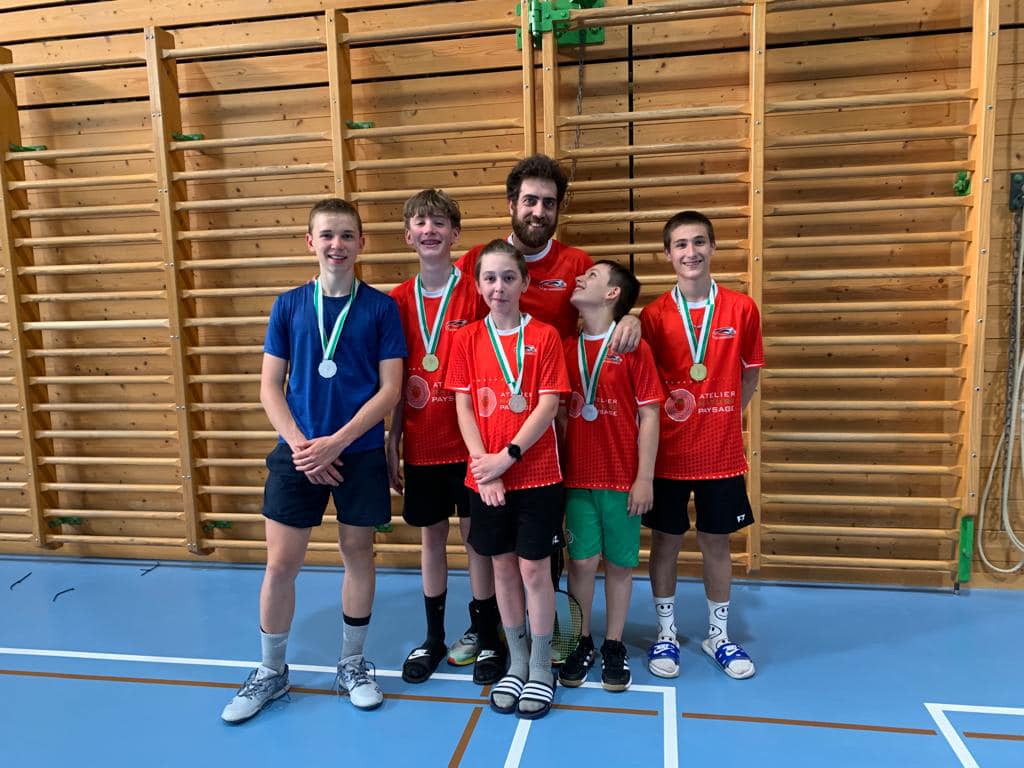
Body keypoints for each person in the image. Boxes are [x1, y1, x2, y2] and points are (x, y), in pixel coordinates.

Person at [221, 198, 406, 723]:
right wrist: (304, 447)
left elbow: (390, 390)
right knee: (281, 564)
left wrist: (336, 443)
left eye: (347, 235)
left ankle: (352, 664)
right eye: (327, 235)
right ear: (310, 242)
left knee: (358, 555)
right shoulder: (288, 306)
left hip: (358, 453)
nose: (336, 245)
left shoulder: (380, 309)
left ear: (361, 243)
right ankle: (271, 671)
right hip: (297, 454)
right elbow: (269, 387)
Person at [445, 239, 569, 720]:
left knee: (534, 570)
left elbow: (547, 404)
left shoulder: (545, 336)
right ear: (478, 285)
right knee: (501, 569)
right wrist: (484, 466)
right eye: (490, 278)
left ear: (525, 282)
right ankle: (516, 661)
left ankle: (541, 666)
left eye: (508, 277)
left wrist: (508, 457)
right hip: (486, 479)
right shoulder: (466, 339)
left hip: (537, 476)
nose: (499, 287)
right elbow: (464, 407)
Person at [639, 210, 763, 681]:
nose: (690, 252)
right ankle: (666, 633)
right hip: (667, 454)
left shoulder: (742, 309)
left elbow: (750, 375)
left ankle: (718, 635)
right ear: (667, 254)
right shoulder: (653, 316)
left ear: (712, 247)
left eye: (698, 242)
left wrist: (721, 416)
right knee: (665, 542)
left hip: (720, 453)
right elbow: (646, 388)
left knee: (716, 542)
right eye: (680, 244)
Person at [387, 190, 504, 685]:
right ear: (408, 235)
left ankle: (486, 636)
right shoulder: (396, 300)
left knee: (477, 541)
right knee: (431, 539)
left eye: (439, 222)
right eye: (420, 222)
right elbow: (392, 377)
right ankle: (433, 637)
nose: (429, 230)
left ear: (455, 234)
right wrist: (393, 438)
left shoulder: (477, 292)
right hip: (422, 443)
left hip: (473, 445)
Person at [556, 261, 662, 692]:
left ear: (612, 294)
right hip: (577, 479)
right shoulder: (564, 347)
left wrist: (645, 478)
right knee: (580, 563)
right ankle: (581, 639)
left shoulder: (634, 347)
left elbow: (650, 414)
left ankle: (613, 643)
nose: (580, 278)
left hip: (622, 479)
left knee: (619, 564)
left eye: (592, 277)